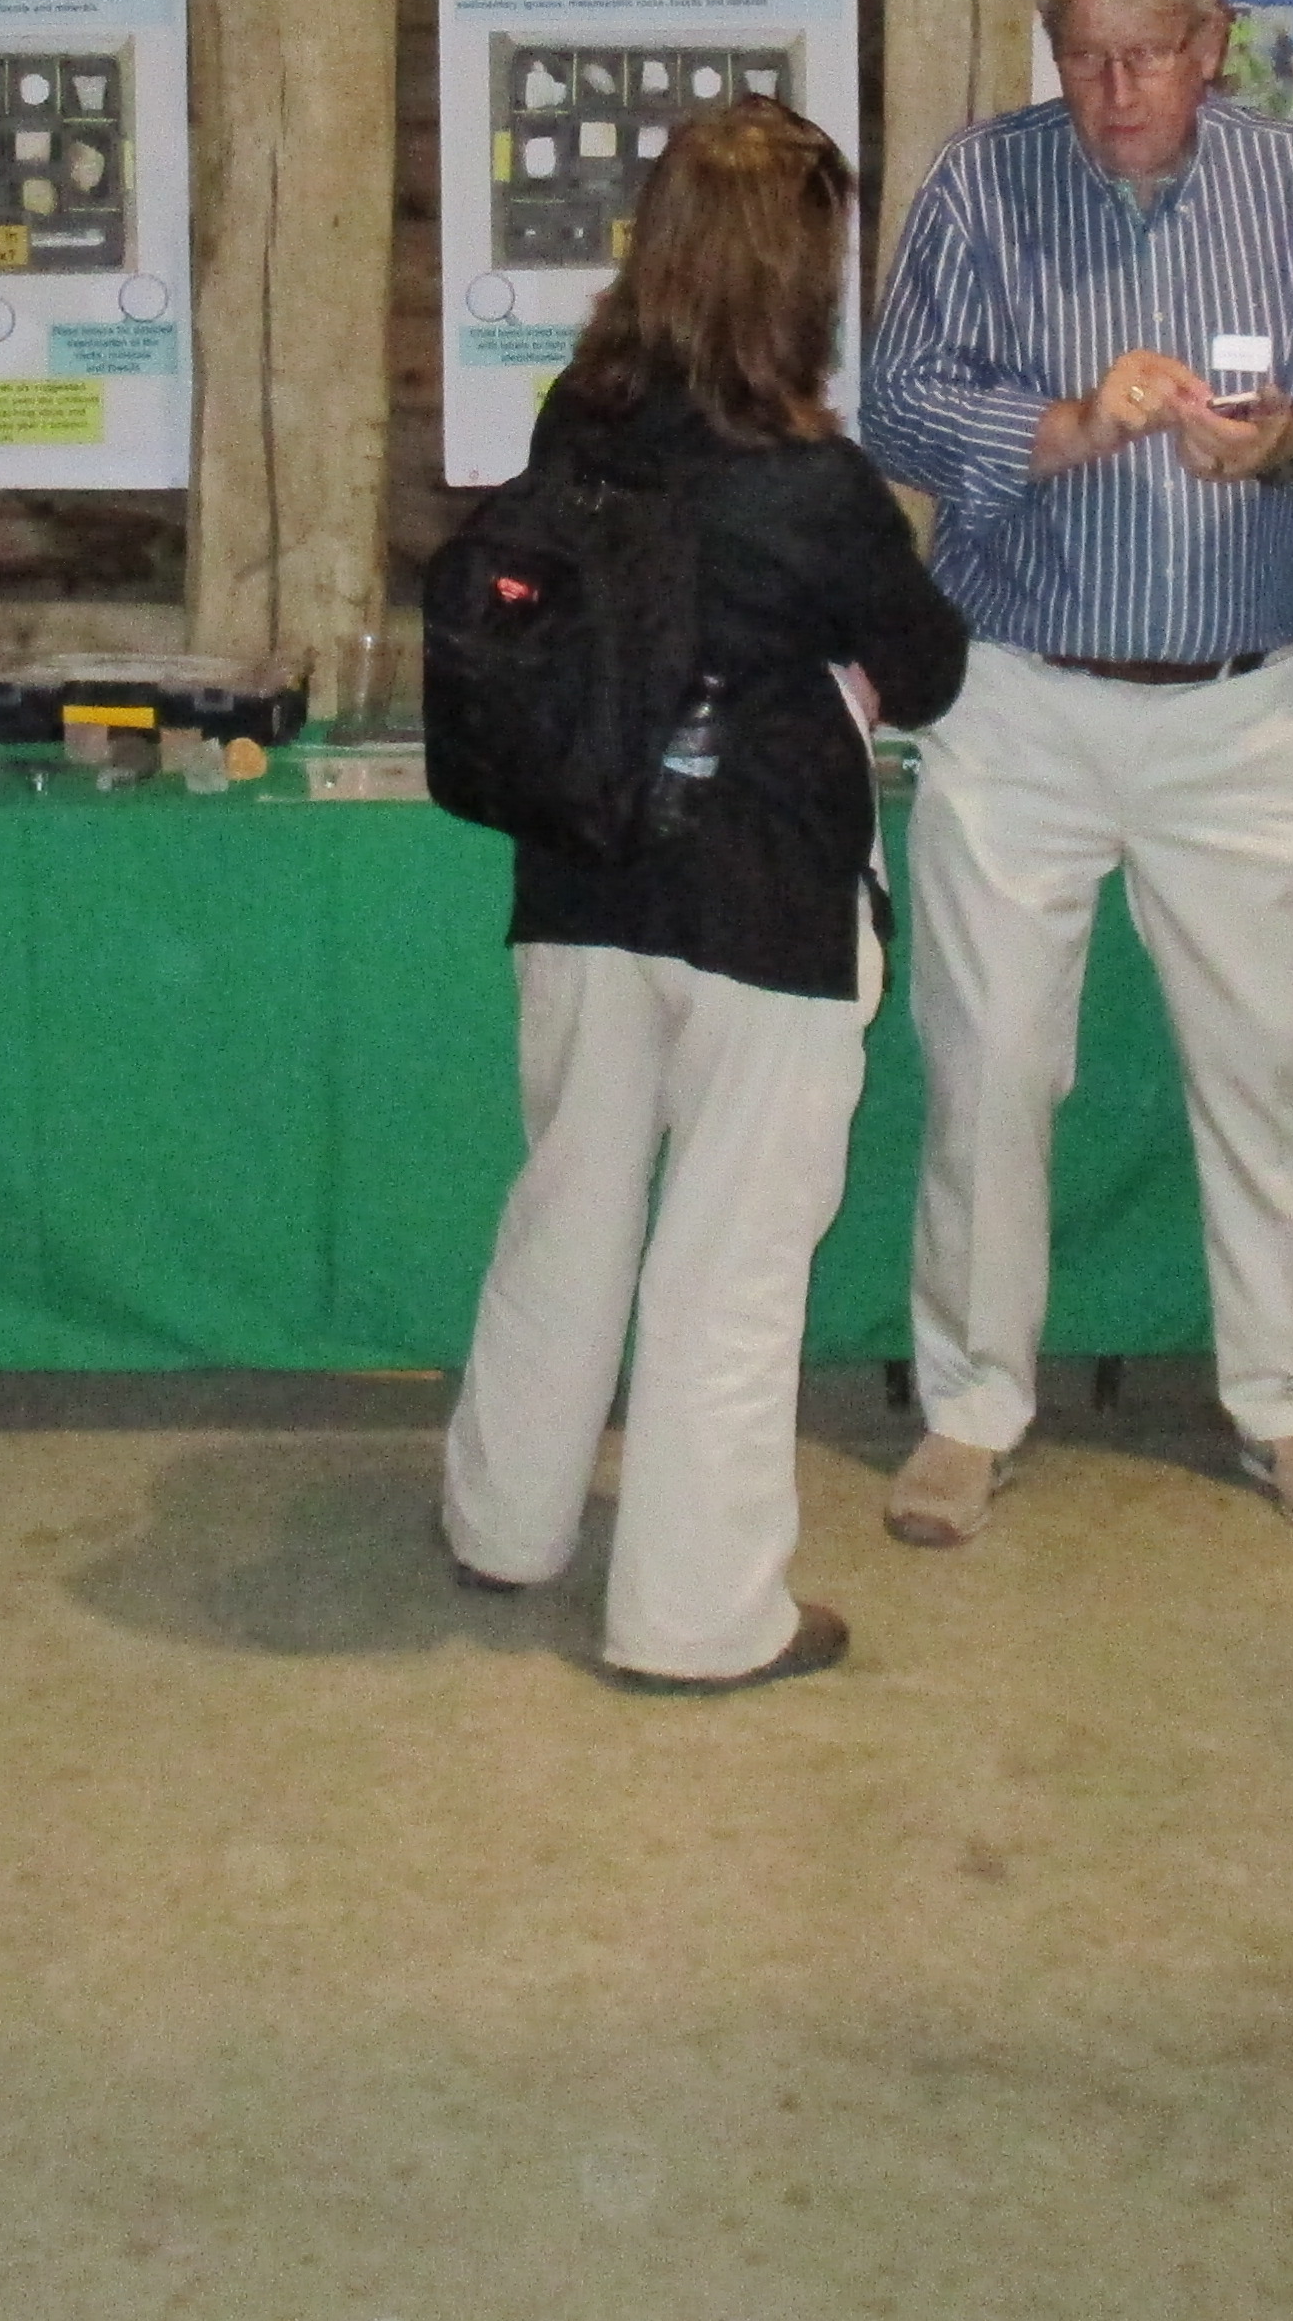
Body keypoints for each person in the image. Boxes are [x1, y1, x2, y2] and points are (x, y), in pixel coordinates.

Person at [858, 0, 1293, 1550]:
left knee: (1267, 1070)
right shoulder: (983, 183)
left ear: (1211, 47)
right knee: (989, 1072)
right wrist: (1062, 424)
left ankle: (1292, 1406)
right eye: (1085, 57)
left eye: (1148, 57)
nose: (1115, 93)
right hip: (1020, 701)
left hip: (1242, 712)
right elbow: (896, 404)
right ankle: (970, 1409)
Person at [438, 100, 970, 1687]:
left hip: (580, 870)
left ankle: (504, 1522)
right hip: (764, 902)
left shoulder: (576, 423)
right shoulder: (817, 485)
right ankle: (694, 1615)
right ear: (800, 277)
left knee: (567, 1210)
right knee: (728, 1269)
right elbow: (928, 670)